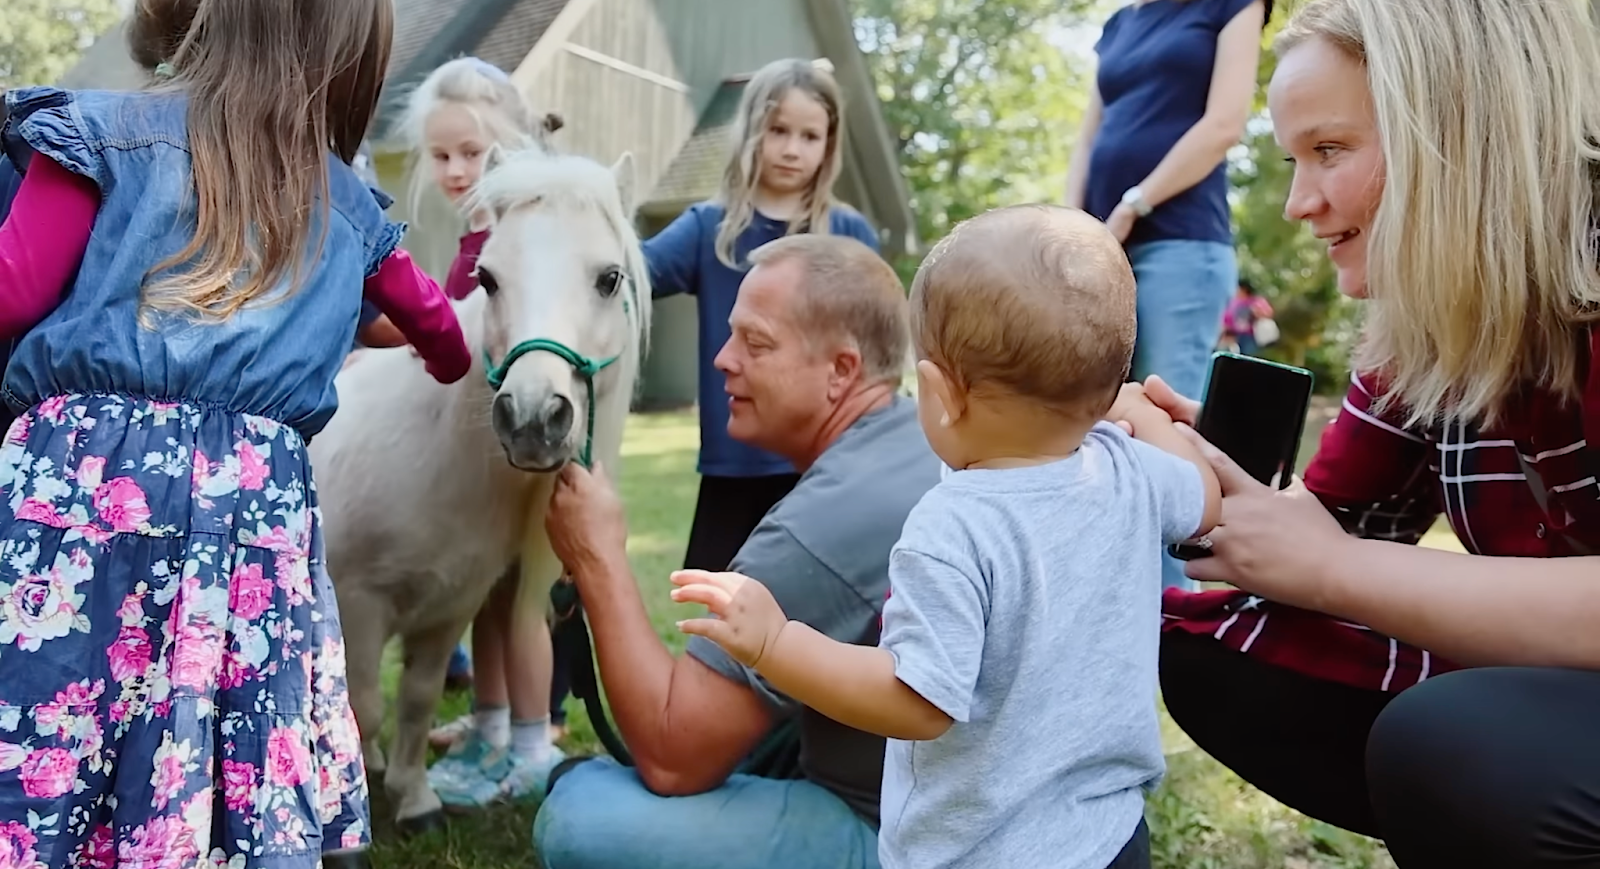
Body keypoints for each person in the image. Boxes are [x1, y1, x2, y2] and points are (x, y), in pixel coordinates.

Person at [0, 0, 472, 864]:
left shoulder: (102, 135)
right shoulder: (349, 205)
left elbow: (14, 290)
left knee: (64, 690)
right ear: (346, 59)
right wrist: (345, 317)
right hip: (248, 504)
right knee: (218, 700)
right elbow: (439, 336)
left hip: (87, 482)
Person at [1142, 1, 1600, 866]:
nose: (1298, 203)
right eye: (1291, 160)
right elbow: (1322, 524)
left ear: (1462, 131)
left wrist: (1337, 568)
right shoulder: (1422, 328)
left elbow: (1335, 558)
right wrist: (1190, 475)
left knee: (1456, 741)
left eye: (1330, 151)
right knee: (1215, 652)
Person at [672, 205, 1222, 869]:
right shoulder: (1130, 471)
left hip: (982, 852)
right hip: (1110, 836)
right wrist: (1133, 411)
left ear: (938, 391)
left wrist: (776, 641)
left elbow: (917, 698)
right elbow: (1206, 497)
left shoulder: (953, 523)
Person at [533, 234, 941, 869]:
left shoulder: (826, 520)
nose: (722, 359)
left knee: (580, 813)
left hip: (903, 836)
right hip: (962, 803)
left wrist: (596, 558)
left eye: (756, 342)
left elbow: (674, 756)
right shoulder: (907, 439)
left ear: (841, 370)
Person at [348, 55, 574, 809]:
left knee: (515, 600)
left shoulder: (514, 240)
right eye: (441, 155)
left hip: (505, 454)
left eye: (472, 153)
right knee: (483, 600)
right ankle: (490, 725)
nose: (454, 169)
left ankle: (527, 736)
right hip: (470, 460)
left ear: (508, 149)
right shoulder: (480, 236)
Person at [644, 57, 884, 576]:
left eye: (810, 136)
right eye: (778, 131)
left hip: (828, 465)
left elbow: (881, 352)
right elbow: (626, 279)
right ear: (753, 130)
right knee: (712, 621)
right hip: (733, 468)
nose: (793, 149)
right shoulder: (708, 227)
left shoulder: (850, 235)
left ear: (829, 144)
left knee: (813, 622)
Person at [1064, 0, 1267, 592]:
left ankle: (1180, 613)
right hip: (1105, 249)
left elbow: (1224, 123)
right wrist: (1073, 229)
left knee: (1163, 434)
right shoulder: (1120, 24)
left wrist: (1134, 204)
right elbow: (1089, 138)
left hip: (1178, 242)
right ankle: (1113, 604)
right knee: (1096, 425)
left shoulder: (1230, 6)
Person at [1221, 277, 1275, 356]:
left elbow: (1268, 313)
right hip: (1234, 335)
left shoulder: (1256, 301)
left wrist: (1256, 312)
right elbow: (1226, 319)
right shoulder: (1233, 302)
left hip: (1250, 335)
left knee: (1247, 356)